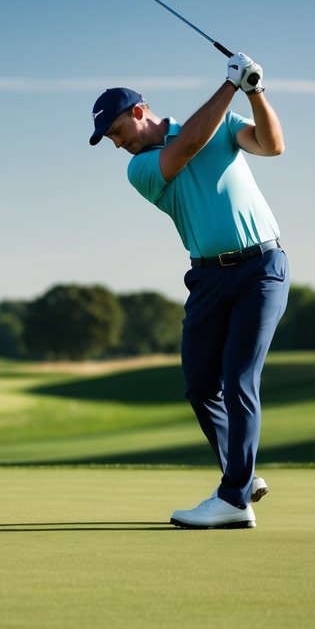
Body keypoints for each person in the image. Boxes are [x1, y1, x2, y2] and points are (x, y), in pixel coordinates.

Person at [89, 54, 290, 529]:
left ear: (139, 113)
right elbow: (188, 146)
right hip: (207, 278)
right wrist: (230, 85)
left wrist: (254, 90)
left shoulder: (222, 123)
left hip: (261, 267)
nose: (117, 144)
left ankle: (234, 499)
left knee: (239, 377)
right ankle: (241, 476)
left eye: (117, 132)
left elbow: (271, 144)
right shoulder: (141, 169)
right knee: (201, 386)